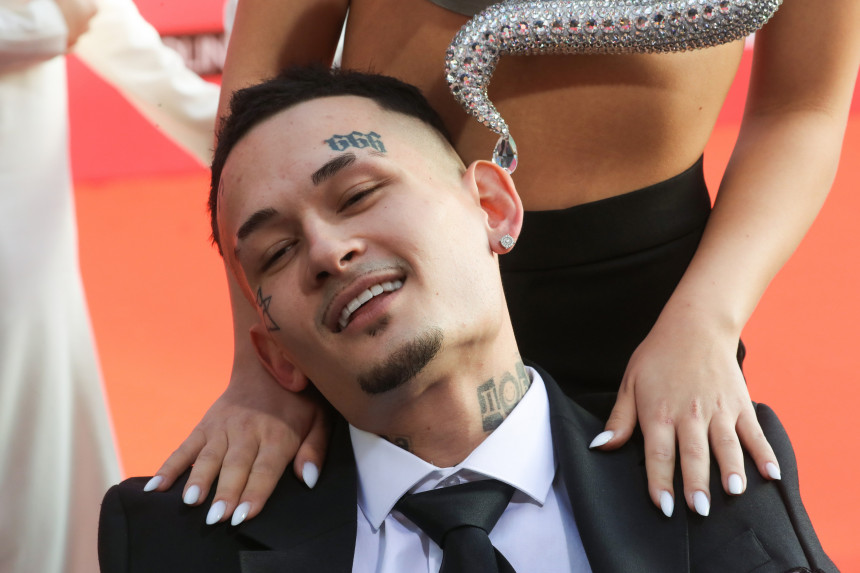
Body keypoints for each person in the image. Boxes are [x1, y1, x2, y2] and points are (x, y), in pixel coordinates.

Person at [147, 0, 860, 528]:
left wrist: (706, 321)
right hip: (389, 300)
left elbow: (802, 106)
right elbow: (256, 108)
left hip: (659, 324)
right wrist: (261, 377)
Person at [0, 1, 218, 571]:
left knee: (42, 384)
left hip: (27, 198)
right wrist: (45, 23)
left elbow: (111, 30)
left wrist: (252, 139)